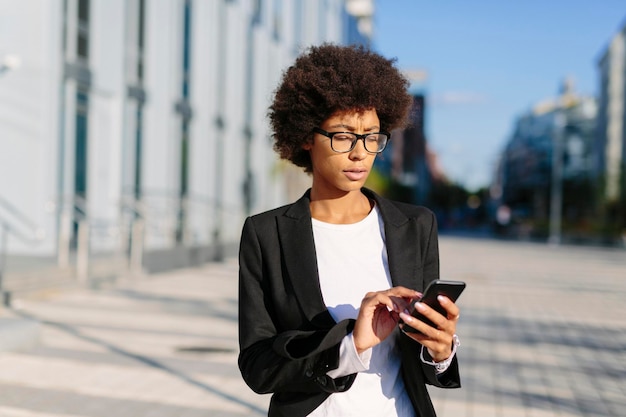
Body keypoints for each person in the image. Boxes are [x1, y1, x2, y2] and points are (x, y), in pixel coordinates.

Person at [238, 43, 461, 417]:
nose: (360, 153)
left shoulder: (416, 226)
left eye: (372, 136)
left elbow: (424, 366)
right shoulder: (267, 234)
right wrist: (349, 346)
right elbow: (258, 368)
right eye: (343, 136)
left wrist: (440, 350)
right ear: (307, 137)